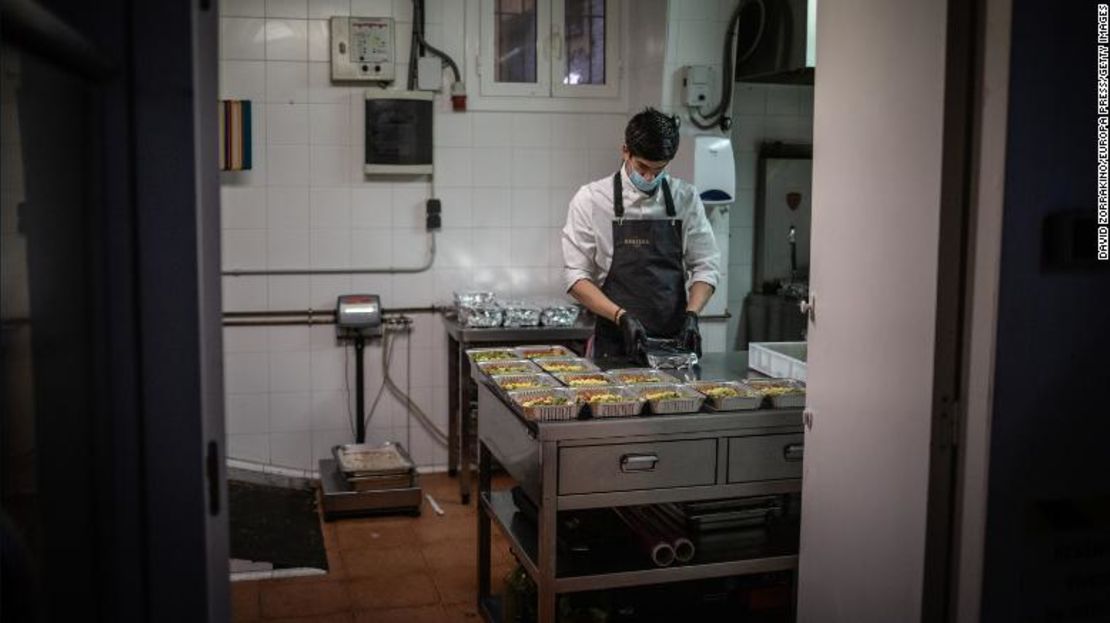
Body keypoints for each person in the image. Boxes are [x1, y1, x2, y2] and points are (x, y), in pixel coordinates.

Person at [561, 108, 721, 359]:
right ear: (626, 151)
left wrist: (692, 314)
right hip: (616, 340)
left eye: (659, 171)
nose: (649, 177)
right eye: (642, 167)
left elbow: (705, 266)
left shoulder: (686, 199)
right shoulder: (591, 199)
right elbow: (576, 277)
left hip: (674, 343)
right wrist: (620, 316)